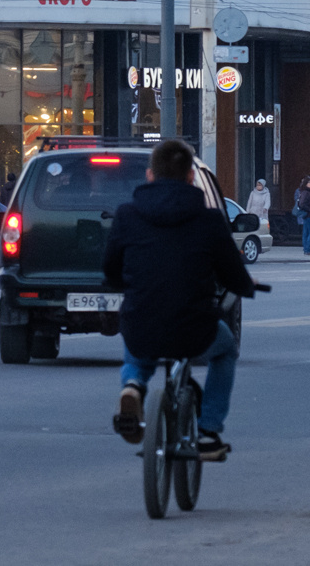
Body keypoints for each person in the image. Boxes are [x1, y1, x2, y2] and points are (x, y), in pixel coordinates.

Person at [105, 139, 258, 462]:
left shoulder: (126, 216)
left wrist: (126, 285)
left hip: (140, 320)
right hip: (194, 327)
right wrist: (247, 285)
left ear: (149, 176)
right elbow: (232, 273)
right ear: (191, 177)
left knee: (138, 350)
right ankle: (208, 431)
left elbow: (110, 269)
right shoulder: (210, 220)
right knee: (226, 349)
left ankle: (132, 387)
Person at [294, 178, 310, 255]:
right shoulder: (306, 193)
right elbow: (302, 204)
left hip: (308, 215)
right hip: (308, 215)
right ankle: (307, 249)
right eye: (309, 182)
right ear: (305, 184)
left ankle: (306, 249)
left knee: (306, 232)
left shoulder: (307, 192)